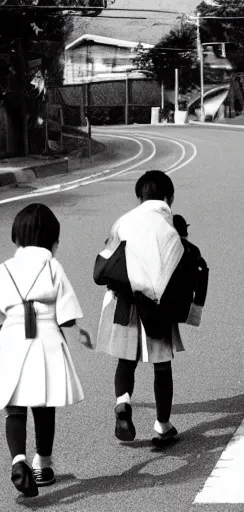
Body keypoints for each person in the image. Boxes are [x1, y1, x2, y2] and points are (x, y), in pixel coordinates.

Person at [0, 203, 91, 498]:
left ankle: (19, 460)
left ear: (16, 238)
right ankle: (42, 463)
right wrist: (79, 333)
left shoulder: (2, 270)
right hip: (46, 340)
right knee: (44, 405)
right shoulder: (53, 266)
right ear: (51, 242)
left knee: (13, 407)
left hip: (11, 339)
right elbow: (66, 314)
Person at [94, 170, 197, 447]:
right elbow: (178, 272)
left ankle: (123, 402)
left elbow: (108, 258)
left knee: (125, 361)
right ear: (169, 197)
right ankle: (163, 426)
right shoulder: (169, 229)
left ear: (139, 197)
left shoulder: (123, 221)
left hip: (125, 304)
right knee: (162, 367)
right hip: (157, 306)